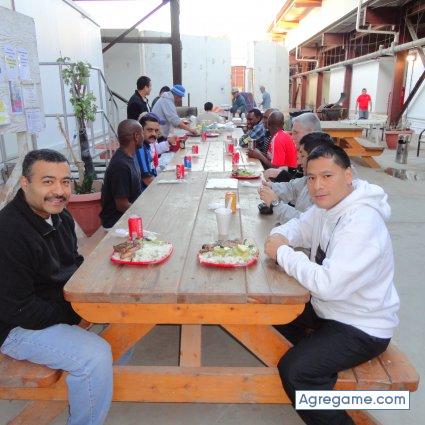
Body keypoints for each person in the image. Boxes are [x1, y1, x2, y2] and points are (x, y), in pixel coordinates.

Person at [264, 143, 399, 425]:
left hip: (362, 325)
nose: (318, 185)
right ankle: (321, 367)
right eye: (311, 177)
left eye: (327, 176)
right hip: (330, 309)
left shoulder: (361, 222)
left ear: (348, 175)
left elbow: (328, 285)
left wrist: (283, 252)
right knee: (266, 313)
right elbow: (298, 227)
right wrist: (280, 237)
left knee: (296, 371)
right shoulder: (327, 207)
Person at [0, 149, 113, 425]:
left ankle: (99, 386)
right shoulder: (9, 233)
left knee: (119, 315)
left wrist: (90, 296)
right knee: (94, 356)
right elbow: (18, 309)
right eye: (47, 181)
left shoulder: (60, 216)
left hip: (48, 306)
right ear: (25, 183)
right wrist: (74, 314)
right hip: (13, 327)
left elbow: (73, 263)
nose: (59, 191)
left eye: (65, 182)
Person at [259, 132, 334, 223]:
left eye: (303, 156)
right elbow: (291, 189)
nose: (298, 162)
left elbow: (305, 223)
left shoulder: (328, 190)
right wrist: (270, 187)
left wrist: (275, 204)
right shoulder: (309, 178)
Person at [100, 119, 143, 229]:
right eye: (142, 133)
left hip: (129, 217)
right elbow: (122, 205)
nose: (143, 137)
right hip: (116, 224)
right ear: (136, 136)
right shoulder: (120, 166)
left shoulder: (131, 156)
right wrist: (145, 212)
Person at [264, 112, 322, 182]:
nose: (292, 137)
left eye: (296, 132)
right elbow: (300, 176)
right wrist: (287, 169)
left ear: (311, 132)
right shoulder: (308, 150)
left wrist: (280, 174)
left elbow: (303, 185)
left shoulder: (319, 156)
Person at [136, 114, 160, 190]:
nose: (154, 134)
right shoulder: (140, 148)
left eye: (156, 130)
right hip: (143, 193)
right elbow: (147, 180)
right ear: (141, 131)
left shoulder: (146, 145)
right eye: (150, 130)